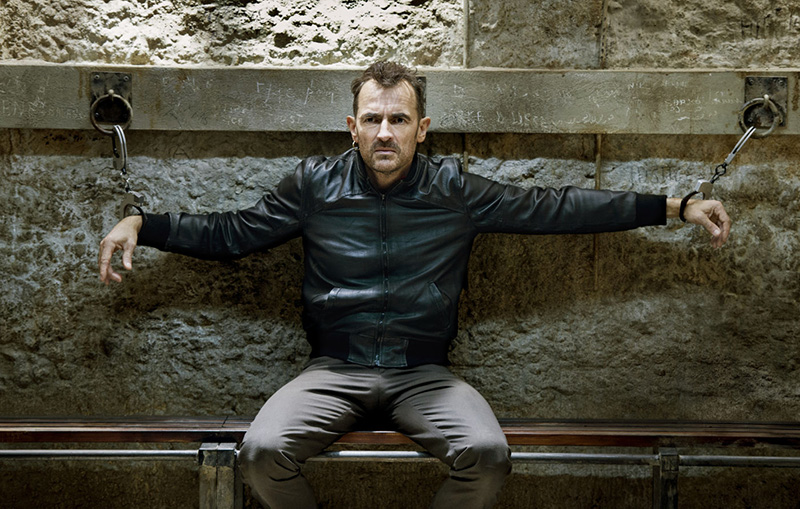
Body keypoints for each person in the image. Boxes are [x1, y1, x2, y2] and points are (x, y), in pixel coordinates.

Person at [98, 61, 731, 509]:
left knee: (487, 454)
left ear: (421, 129)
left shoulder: (453, 190)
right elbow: (233, 232)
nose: (384, 133)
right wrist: (142, 223)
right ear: (351, 126)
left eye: (398, 120)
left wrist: (675, 207)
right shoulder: (314, 185)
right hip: (333, 370)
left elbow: (555, 208)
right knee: (261, 452)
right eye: (372, 119)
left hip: (423, 375)